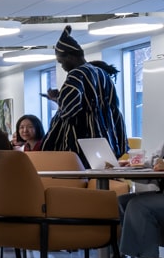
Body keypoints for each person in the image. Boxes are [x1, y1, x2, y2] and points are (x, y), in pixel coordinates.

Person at [42, 26, 128, 164]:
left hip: (84, 142)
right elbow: (113, 106)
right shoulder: (102, 73)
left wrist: (59, 101)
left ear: (69, 56)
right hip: (107, 137)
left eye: (61, 61)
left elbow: (68, 111)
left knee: (81, 180)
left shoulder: (76, 75)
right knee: (105, 177)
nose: (62, 66)